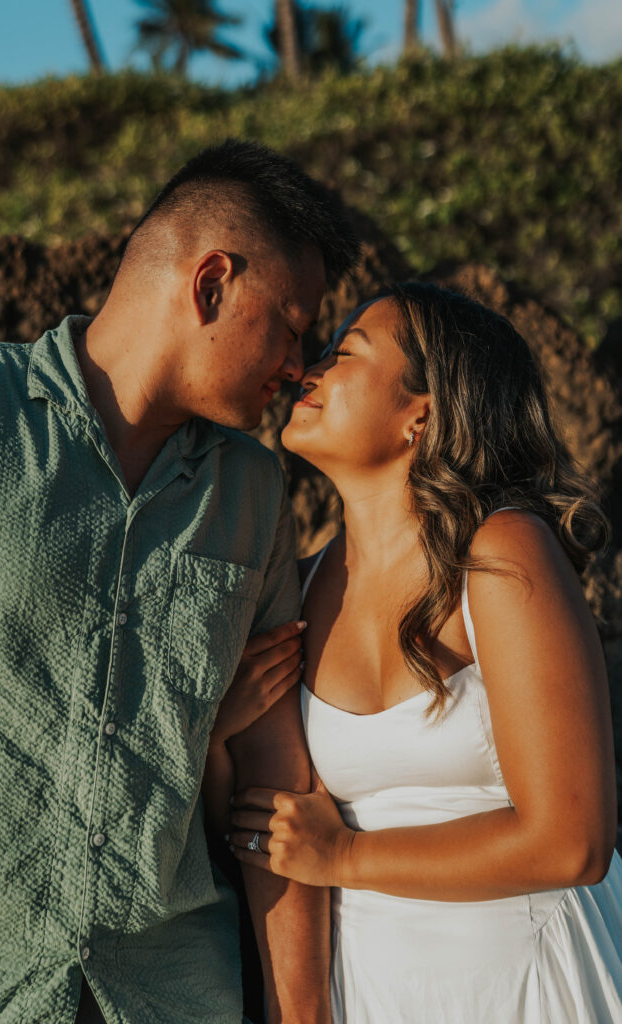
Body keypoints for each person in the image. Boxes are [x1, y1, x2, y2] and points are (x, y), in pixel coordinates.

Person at [0, 139, 360, 1024]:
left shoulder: (252, 490)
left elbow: (274, 771)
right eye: (290, 326)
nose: (299, 366)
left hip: (170, 994)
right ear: (211, 284)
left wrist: (302, 1015)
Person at [221, 284, 621, 1021]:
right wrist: (216, 733)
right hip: (374, 990)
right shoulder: (300, 585)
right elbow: (259, 829)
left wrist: (343, 858)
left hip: (524, 979)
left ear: (422, 413)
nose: (309, 371)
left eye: (344, 354)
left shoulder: (501, 553)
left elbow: (572, 842)